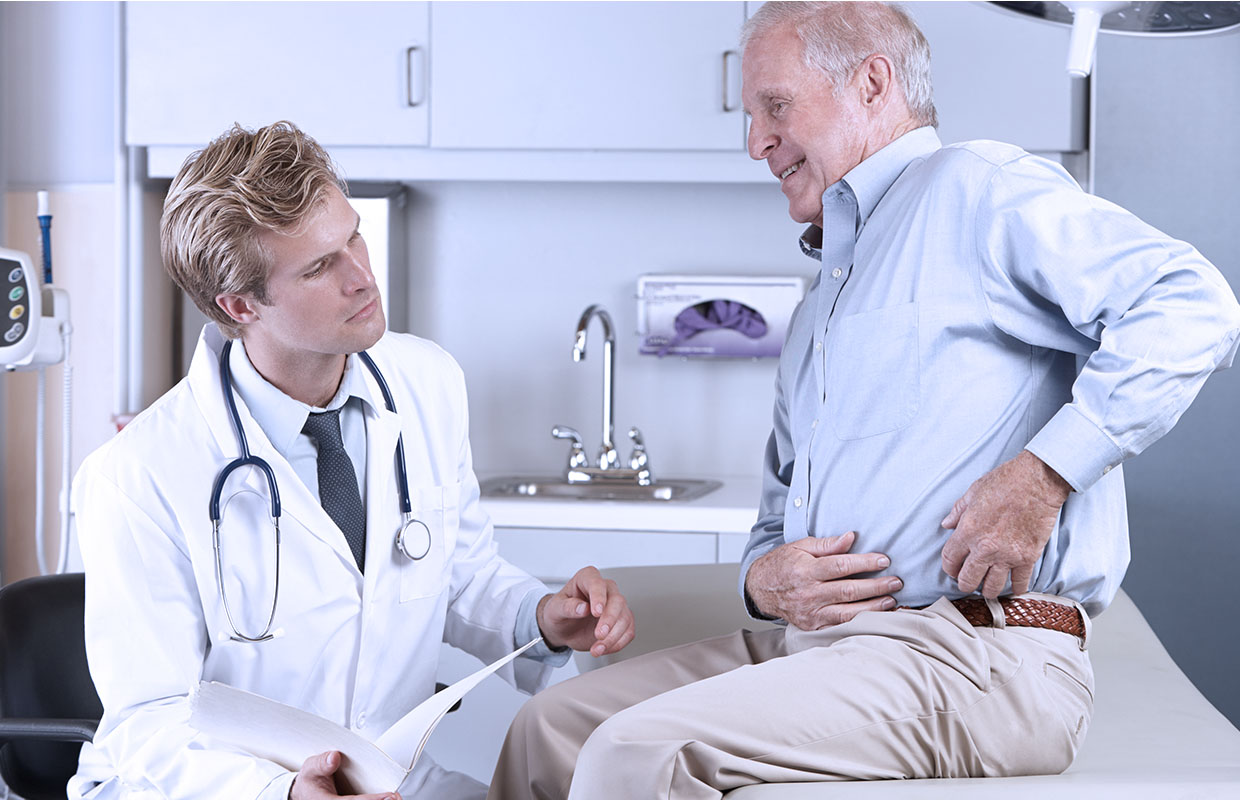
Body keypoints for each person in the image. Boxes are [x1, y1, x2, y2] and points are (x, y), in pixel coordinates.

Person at [486, 3, 1240, 799]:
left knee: (636, 750)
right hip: (813, 649)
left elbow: (1192, 303)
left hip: (974, 655)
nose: (756, 143)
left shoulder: (976, 189)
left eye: (776, 107)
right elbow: (774, 520)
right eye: (751, 116)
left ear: (872, 83)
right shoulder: (822, 306)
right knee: (548, 729)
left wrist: (1044, 474)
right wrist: (760, 583)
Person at [70, 121, 635, 800]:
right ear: (240, 304)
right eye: (318, 266)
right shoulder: (136, 477)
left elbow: (456, 573)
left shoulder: (427, 382)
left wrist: (541, 619)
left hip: (387, 779)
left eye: (354, 237)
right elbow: (147, 726)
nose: (362, 276)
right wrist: (281, 793)